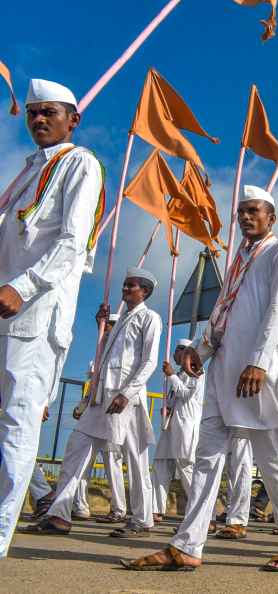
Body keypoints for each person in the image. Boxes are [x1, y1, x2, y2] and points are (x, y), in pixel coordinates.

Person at [123, 185, 278, 572]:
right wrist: (200, 351)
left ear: (271, 217)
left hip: (254, 375)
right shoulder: (238, 260)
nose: (245, 217)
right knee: (205, 459)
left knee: (270, 457)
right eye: (241, 211)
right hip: (223, 373)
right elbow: (222, 313)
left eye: (254, 211)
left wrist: (259, 362)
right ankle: (187, 545)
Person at [0, 79, 105, 557]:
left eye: (51, 113)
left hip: (34, 315)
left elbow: (72, 242)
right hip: (5, 310)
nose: (40, 120)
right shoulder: (26, 171)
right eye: (34, 113)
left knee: (19, 424)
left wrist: (20, 287)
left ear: (73, 119)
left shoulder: (78, 163)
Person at [23, 268, 160, 538]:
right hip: (100, 399)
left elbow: (149, 361)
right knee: (76, 451)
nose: (125, 289)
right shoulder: (119, 320)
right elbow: (106, 358)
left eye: (131, 286)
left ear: (144, 291)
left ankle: (142, 520)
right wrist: (102, 325)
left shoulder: (150, 318)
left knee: (135, 459)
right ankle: (59, 515)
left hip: (126, 401)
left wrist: (127, 393)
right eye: (124, 284)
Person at [152, 338, 205, 521]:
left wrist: (171, 375)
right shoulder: (180, 373)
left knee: (186, 469)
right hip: (170, 426)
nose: (174, 354)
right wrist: (167, 407)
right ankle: (156, 509)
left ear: (185, 352)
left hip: (185, 427)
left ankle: (203, 514)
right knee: (160, 465)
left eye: (177, 350)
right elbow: (177, 398)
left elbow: (186, 394)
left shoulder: (196, 370)